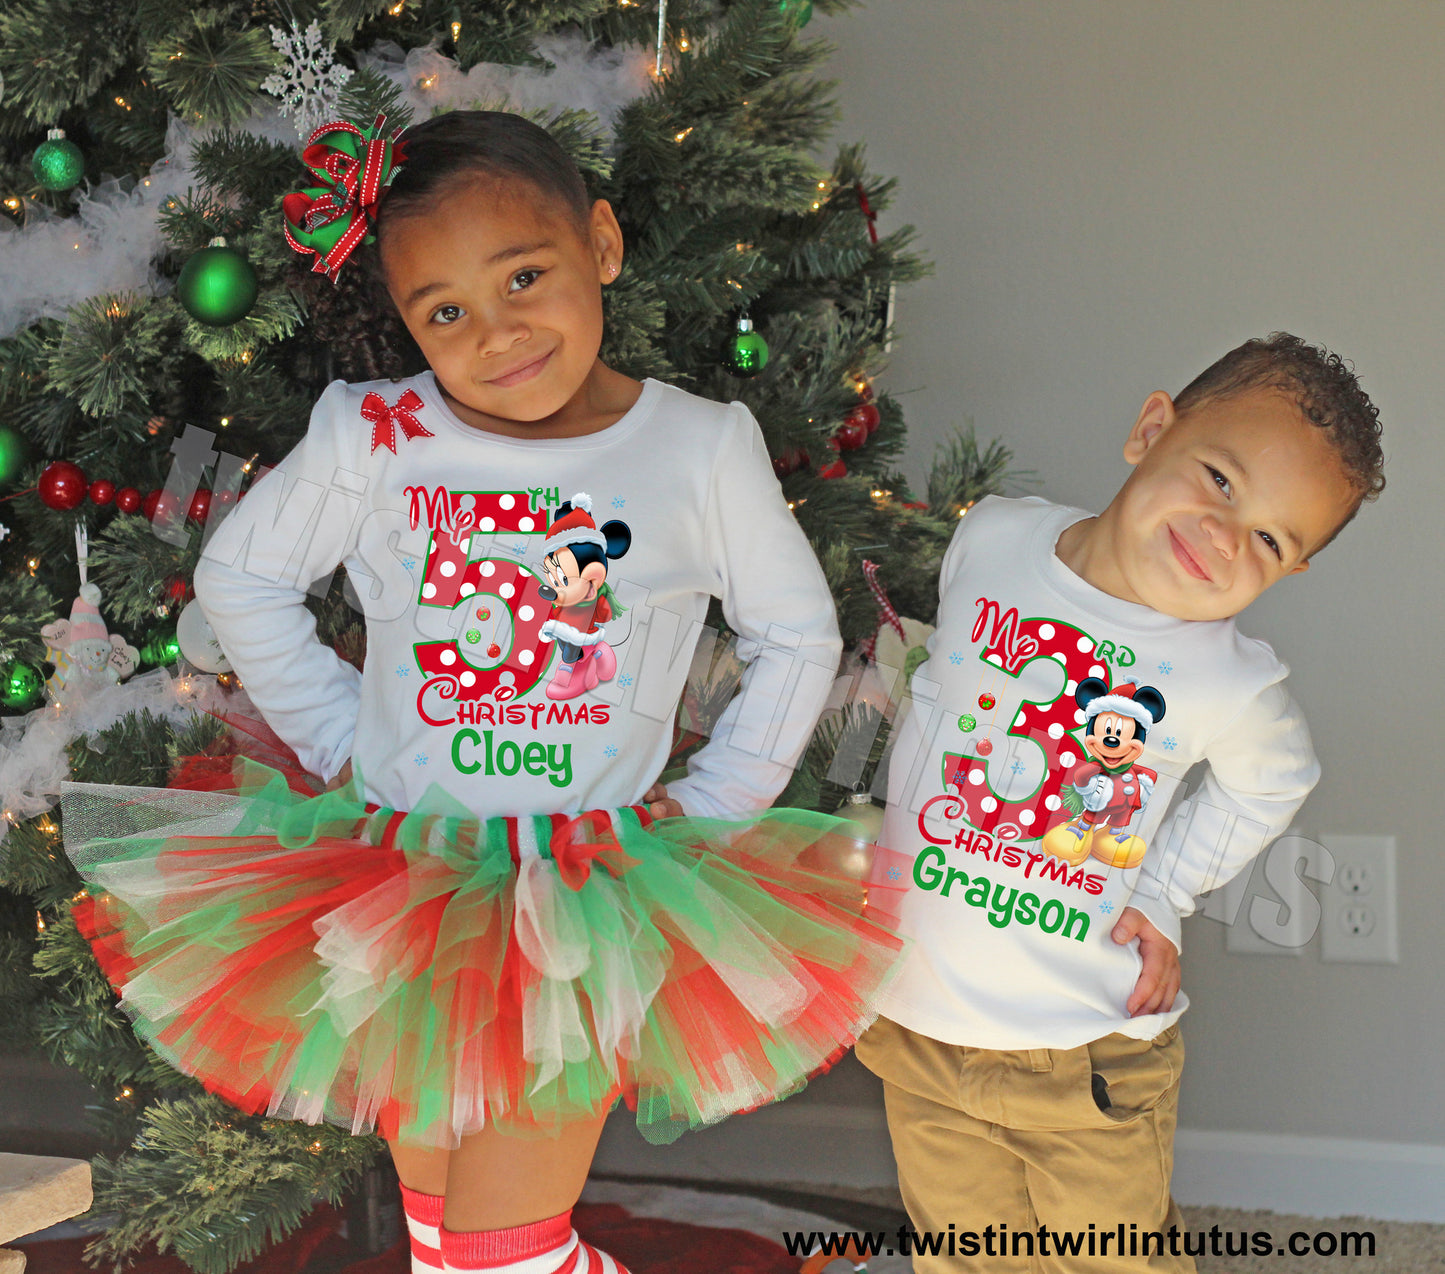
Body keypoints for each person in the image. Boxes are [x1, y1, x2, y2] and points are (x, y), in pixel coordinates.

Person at [59, 111, 903, 1274]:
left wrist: (717, 802)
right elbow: (243, 574)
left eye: (525, 276)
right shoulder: (376, 434)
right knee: (445, 1243)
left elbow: (796, 635)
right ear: (405, 321)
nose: (497, 333)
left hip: (586, 898)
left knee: (501, 1248)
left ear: (600, 244)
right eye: (445, 311)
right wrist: (339, 738)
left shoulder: (697, 446)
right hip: (408, 885)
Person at [855, 333, 1384, 1271]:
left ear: (1287, 571)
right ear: (1151, 430)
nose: (1224, 535)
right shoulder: (995, 539)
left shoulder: (1228, 679)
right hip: (920, 1022)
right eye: (1219, 479)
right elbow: (939, 691)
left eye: (1268, 539)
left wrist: (1160, 891)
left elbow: (1275, 781)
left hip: (1081, 1051)